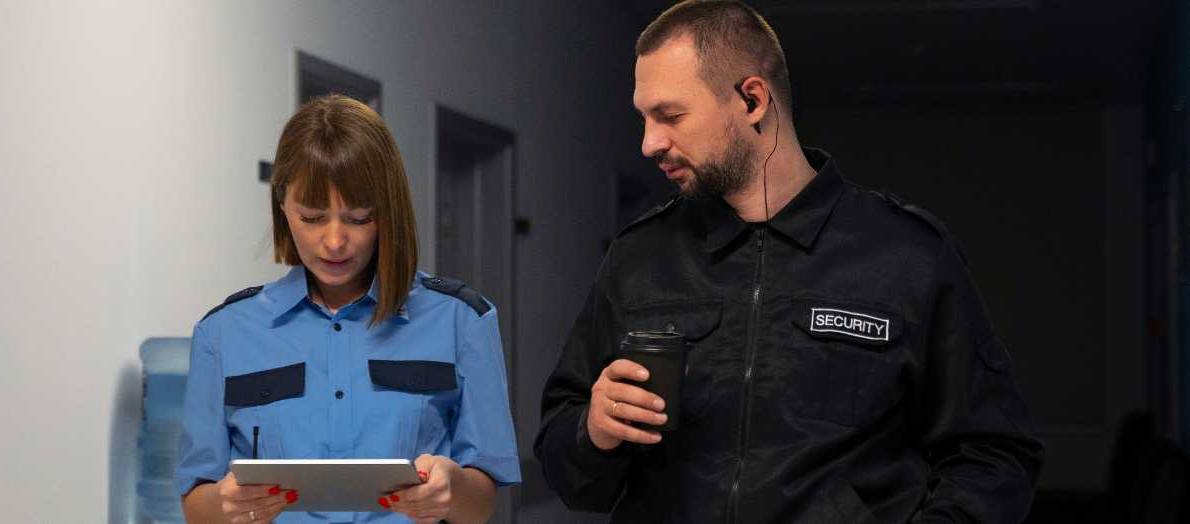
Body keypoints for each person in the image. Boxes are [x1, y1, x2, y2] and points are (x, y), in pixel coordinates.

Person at [534, 1, 1044, 522]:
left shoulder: (906, 255)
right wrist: (592, 431)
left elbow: (994, 457)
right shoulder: (638, 258)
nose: (649, 143)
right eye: (644, 117)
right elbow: (569, 468)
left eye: (670, 115)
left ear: (752, 100)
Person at [176, 94, 519, 524]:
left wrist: (451, 490)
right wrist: (223, 504)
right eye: (313, 217)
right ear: (282, 204)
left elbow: (482, 502)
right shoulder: (221, 334)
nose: (335, 241)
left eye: (358, 218)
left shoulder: (463, 322)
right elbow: (195, 503)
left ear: (388, 210)